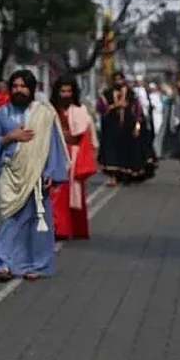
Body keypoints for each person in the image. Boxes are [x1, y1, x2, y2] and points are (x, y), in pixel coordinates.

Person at [0, 69, 69, 282]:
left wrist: (50, 172)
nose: (19, 90)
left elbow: (53, 144)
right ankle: (5, 264)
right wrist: (9, 137)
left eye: (23, 86)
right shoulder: (2, 114)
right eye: (15, 86)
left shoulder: (44, 114)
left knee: (37, 221)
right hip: (11, 174)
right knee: (10, 220)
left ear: (31, 89)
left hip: (38, 175)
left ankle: (36, 264)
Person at [50, 77, 98, 241]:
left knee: (73, 193)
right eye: (62, 91)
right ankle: (58, 228)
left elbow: (79, 135)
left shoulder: (80, 110)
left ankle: (74, 228)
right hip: (54, 153)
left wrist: (64, 136)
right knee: (56, 192)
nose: (66, 94)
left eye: (69, 91)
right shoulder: (50, 110)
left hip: (73, 154)